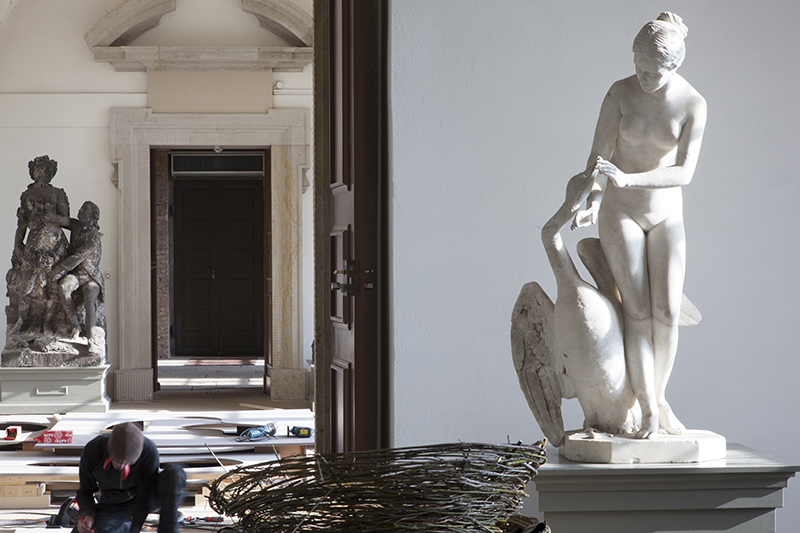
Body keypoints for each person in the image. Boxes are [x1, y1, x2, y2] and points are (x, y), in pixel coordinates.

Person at [573, 12, 707, 438]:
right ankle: (648, 407)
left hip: (666, 212)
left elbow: (684, 172)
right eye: (638, 68)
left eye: (652, 73)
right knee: (637, 310)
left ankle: (660, 397)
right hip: (621, 211)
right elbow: (598, 157)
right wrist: (593, 198)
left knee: (666, 311)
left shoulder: (692, 104)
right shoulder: (620, 93)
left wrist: (629, 178)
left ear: (675, 65)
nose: (643, 78)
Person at [74, 422, 186, 533]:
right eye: (117, 461)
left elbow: (144, 498)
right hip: (114, 504)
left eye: (126, 463)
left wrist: (135, 529)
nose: (121, 466)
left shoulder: (148, 451)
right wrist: (87, 514)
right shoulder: (93, 451)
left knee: (175, 474)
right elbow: (85, 492)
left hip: (145, 496)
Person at [8, 155, 70, 336]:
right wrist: (17, 245)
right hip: (34, 244)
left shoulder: (58, 193)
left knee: (52, 287)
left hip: (54, 245)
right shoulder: (27, 195)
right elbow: (22, 224)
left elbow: (67, 221)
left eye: (48, 170)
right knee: (29, 286)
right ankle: (24, 322)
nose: (43, 173)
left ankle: (48, 324)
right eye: (40, 169)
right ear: (33, 172)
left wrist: (53, 218)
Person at [49, 201, 104, 341]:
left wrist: (57, 268)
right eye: (81, 207)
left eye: (84, 209)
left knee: (89, 297)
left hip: (91, 278)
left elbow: (77, 257)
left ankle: (92, 337)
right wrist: (48, 215)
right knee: (64, 287)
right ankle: (75, 326)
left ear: (93, 216)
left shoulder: (94, 237)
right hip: (76, 275)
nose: (80, 210)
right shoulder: (76, 226)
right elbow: (63, 221)